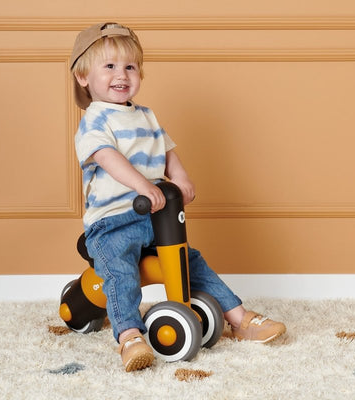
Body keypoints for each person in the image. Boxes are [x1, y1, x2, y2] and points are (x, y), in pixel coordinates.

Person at [70, 22, 286, 372]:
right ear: (83, 76)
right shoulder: (95, 121)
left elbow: (167, 150)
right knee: (120, 272)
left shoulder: (145, 116)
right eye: (108, 66)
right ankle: (129, 335)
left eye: (130, 66)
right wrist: (143, 184)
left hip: (155, 216)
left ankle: (240, 317)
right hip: (112, 223)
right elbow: (107, 156)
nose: (120, 75)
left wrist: (180, 177)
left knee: (190, 262)